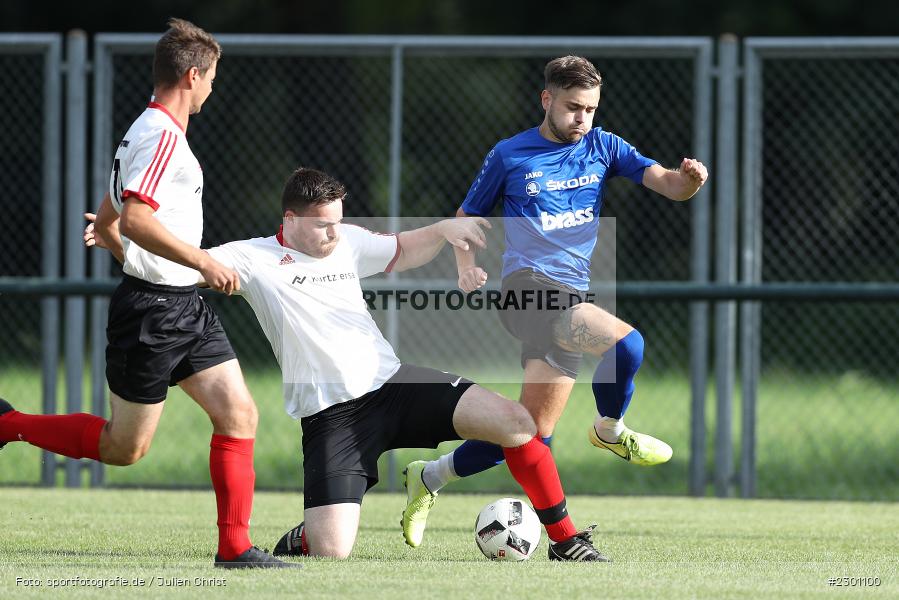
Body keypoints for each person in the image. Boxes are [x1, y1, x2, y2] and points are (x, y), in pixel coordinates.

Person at [84, 166, 609, 561]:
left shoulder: (347, 240)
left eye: (338, 222)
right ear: (289, 221)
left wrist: (445, 231)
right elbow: (170, 273)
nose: (334, 234)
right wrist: (117, 239)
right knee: (332, 551)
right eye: (321, 226)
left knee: (518, 424)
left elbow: (404, 248)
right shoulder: (249, 256)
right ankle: (307, 533)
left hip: (394, 384)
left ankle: (565, 541)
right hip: (332, 417)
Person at [0, 19, 295, 569]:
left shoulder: (149, 132)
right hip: (153, 313)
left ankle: (234, 548)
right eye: (211, 78)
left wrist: (119, 241)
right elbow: (134, 218)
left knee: (239, 414)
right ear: (191, 74)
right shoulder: (160, 135)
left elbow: (113, 218)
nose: (212, 88)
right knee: (124, 449)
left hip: (184, 305)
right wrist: (202, 259)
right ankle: (7, 425)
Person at [402, 55, 709, 546]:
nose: (582, 119)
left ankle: (429, 476)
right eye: (572, 107)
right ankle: (610, 431)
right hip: (526, 290)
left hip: (571, 293)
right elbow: (466, 217)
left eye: (590, 109)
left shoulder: (604, 145)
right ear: (546, 100)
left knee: (528, 435)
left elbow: (668, 184)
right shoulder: (509, 154)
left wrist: (689, 181)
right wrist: (466, 266)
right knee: (627, 345)